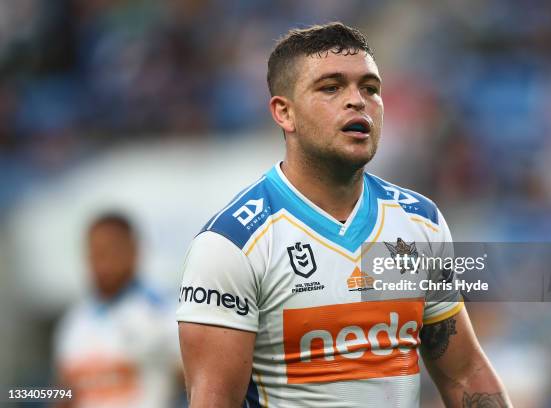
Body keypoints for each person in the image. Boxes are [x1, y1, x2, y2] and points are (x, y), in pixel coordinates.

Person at [177, 22, 512, 407]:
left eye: (370, 88)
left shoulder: (420, 222)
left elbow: (464, 373)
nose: (357, 101)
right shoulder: (233, 244)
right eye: (331, 87)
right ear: (284, 113)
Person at [53, 213, 183, 408]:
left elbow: (196, 382)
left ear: (134, 252)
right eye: (95, 253)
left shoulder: (162, 313)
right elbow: (64, 393)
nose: (101, 262)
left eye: (109, 251)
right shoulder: (74, 322)